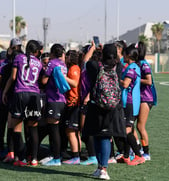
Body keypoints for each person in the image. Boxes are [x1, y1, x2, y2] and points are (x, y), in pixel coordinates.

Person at [83, 44, 123, 180]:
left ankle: (103, 169)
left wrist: (94, 49)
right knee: (105, 136)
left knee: (99, 136)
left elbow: (86, 61)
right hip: (113, 107)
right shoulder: (119, 67)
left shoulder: (95, 67)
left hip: (97, 105)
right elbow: (120, 60)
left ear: (102, 54)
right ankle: (101, 167)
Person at [2, 40, 42, 166]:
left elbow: (13, 77)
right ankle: (34, 159)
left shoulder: (19, 58)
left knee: (16, 127)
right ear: (36, 51)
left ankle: (21, 158)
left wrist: (5, 92)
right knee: (33, 127)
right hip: (35, 95)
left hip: (20, 93)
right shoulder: (39, 63)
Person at [118, 44, 145, 166]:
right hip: (129, 102)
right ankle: (126, 156)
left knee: (127, 130)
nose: (123, 56)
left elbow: (125, 84)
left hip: (130, 103)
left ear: (128, 55)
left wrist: (115, 78)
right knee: (128, 129)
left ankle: (139, 155)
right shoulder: (133, 66)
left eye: (124, 54)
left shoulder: (132, 69)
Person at [41, 44, 67, 166]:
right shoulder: (63, 64)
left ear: (52, 53)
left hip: (53, 99)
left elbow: (44, 80)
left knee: (54, 129)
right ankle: (56, 155)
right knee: (55, 128)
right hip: (62, 100)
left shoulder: (53, 63)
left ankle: (56, 158)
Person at [137, 41, 157, 160]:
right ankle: (138, 148)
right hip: (140, 97)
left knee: (140, 126)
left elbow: (148, 81)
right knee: (133, 125)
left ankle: (146, 152)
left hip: (146, 97)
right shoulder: (138, 63)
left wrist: (134, 79)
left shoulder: (144, 64)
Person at [62, 50, 81, 165]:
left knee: (70, 130)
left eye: (67, 55)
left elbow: (74, 83)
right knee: (75, 131)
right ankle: (76, 154)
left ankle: (75, 156)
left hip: (73, 103)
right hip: (73, 102)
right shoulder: (73, 68)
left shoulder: (74, 68)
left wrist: (63, 76)